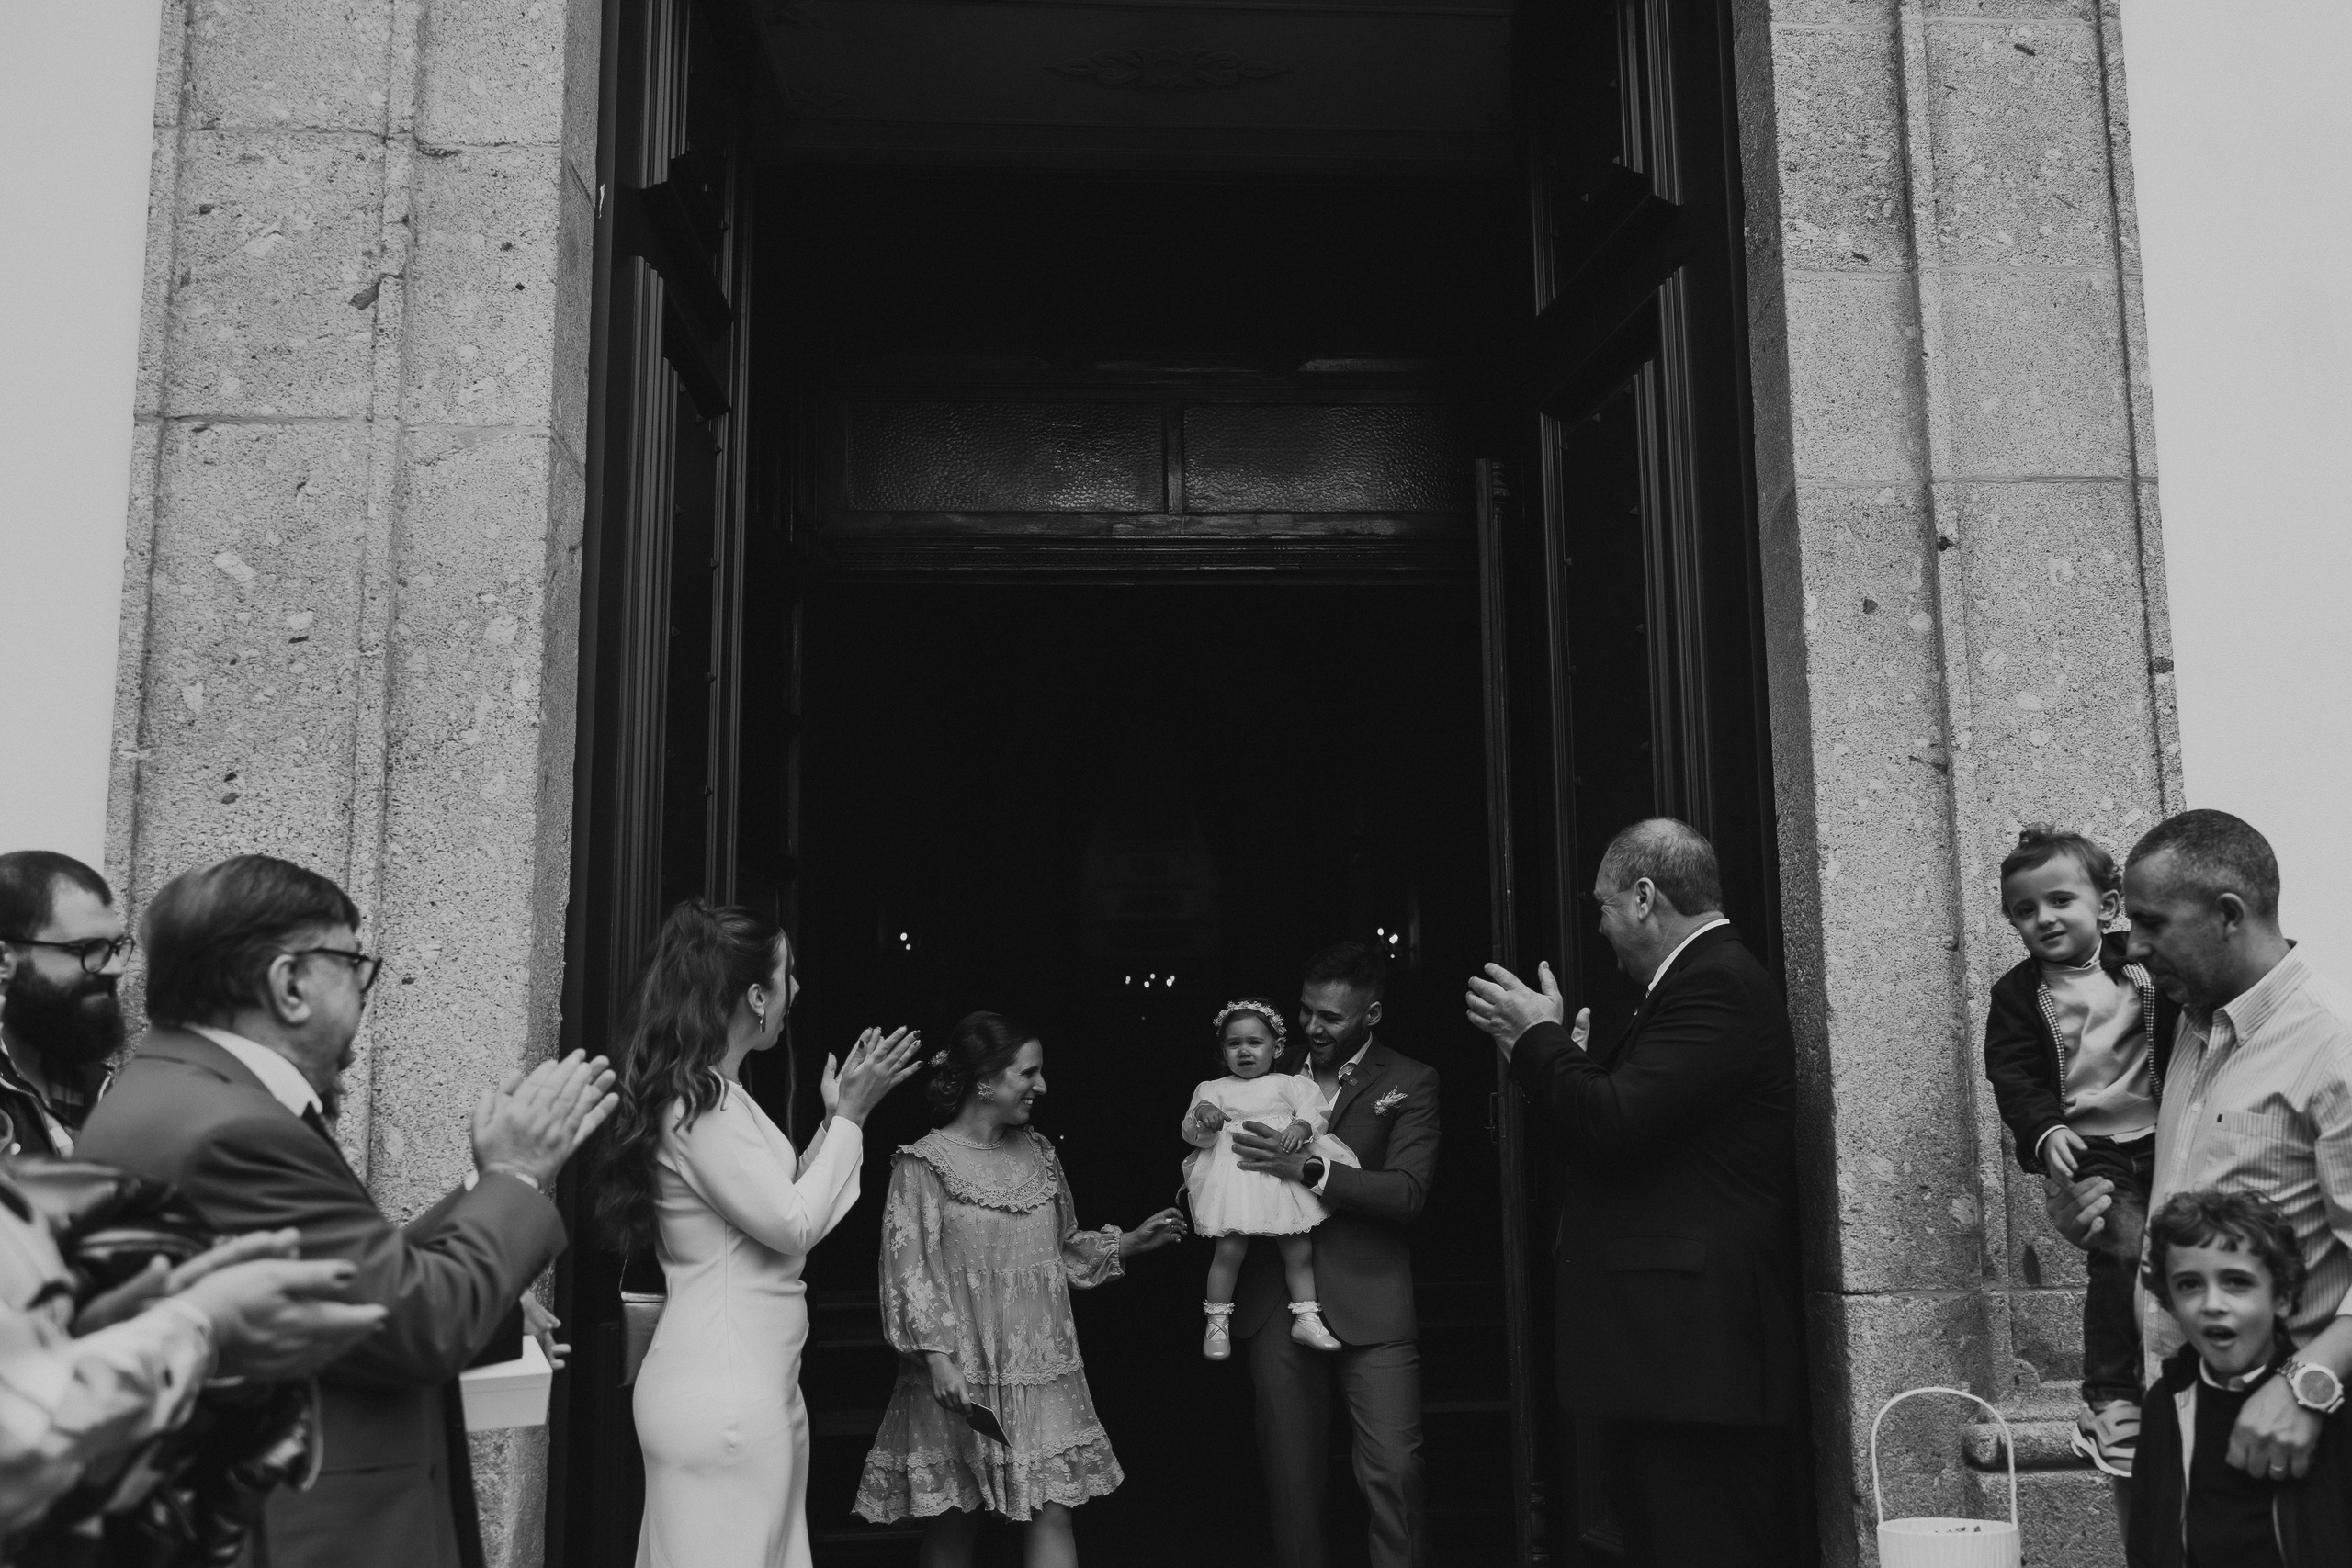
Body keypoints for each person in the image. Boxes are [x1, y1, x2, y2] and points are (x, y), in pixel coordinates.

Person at [74, 854, 616, 1568]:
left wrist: (483, 1183)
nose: (365, 996)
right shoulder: (230, 1131)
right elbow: (417, 1320)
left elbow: (353, 1272)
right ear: (290, 983)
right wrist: (518, 1174)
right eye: (354, 966)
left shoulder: (178, 1092)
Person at [1466, 818, 1803, 1568]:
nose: (1600, 926)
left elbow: (1615, 1123)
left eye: (1603, 905)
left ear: (1645, 896)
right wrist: (1563, 1066)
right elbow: (1612, 1138)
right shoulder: (1684, 986)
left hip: (1694, 1358)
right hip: (1666, 1359)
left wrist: (1539, 1040)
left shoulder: (1715, 982)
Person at [0, 931, 387, 1550]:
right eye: (87, 947)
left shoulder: (115, 1086)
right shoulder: (229, 1123)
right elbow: (26, 1438)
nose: (117, 967)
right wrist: (201, 1322)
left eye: (121, 941)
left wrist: (115, 1321)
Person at [595, 901, 924, 1568]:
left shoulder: (721, 1093)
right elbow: (792, 1222)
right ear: (755, 994)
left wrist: (837, 1122)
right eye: (788, 974)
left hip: (747, 1386)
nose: (796, 991)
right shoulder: (699, 1104)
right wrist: (855, 1116)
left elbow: (785, 1207)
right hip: (724, 1398)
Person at [2048, 809, 2352, 1496]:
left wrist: (2308, 1387)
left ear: (2227, 914)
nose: (2131, 947)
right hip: (2176, 1425)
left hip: (2286, 1441)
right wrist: (2100, 1219)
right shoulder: (2187, 1027)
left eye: (2154, 923)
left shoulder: (2335, 1048)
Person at [854, 1011, 1185, 1567]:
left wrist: (1128, 1242)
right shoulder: (922, 1165)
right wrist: (937, 1363)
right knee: (955, 1521)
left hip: (1042, 1367)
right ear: (985, 1081)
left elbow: (1061, 1249)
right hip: (959, 1373)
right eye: (1028, 1073)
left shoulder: (1039, 1153)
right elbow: (907, 1274)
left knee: (1054, 1506)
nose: (1042, 1086)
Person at [1227, 942, 1439, 1568]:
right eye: (1306, 1011)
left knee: (1396, 1474)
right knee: (1290, 1485)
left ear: (1371, 1015)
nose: (1313, 1028)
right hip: (1277, 1302)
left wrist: (1312, 1169)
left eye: (1332, 1017)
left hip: (1371, 1302)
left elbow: (1408, 1192)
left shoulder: (1411, 1079)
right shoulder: (1262, 1067)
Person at [1982, 825, 2177, 1476]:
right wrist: (2044, 1132)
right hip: (2097, 1152)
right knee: (2121, 1252)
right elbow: (2012, 1075)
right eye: (2025, 910)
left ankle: (2176, 1382)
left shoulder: (2145, 965)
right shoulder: (2017, 995)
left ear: (2108, 903)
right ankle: (2108, 1397)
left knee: (2186, 1254)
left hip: (2170, 1134)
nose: (2044, 918)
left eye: (2061, 900)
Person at [2127, 1189, 2351, 1567]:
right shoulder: (2165, 1402)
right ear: (2169, 1301)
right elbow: (2146, 1541)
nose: (2212, 1304)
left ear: (2282, 1297)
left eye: (2236, 1282)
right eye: (2189, 1284)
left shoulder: (2327, 1405)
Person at [1182, 998, 1355, 1360]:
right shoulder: (1212, 1088)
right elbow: (1194, 1135)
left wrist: (1301, 1126)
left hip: (1280, 1179)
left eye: (1255, 1042)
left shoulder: (1291, 1083)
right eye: (1234, 1043)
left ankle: (1307, 1316)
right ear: (1223, 1050)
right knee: (1229, 1249)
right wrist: (1205, 1114)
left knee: (1298, 1247)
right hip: (1235, 1179)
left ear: (1276, 1048)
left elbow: (1316, 1111)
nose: (1244, 1051)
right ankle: (1216, 1321)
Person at [0, 852, 130, 1156]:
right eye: (86, 948)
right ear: (3, 961)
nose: (114, 968)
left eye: (116, 947)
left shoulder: (89, 1080)